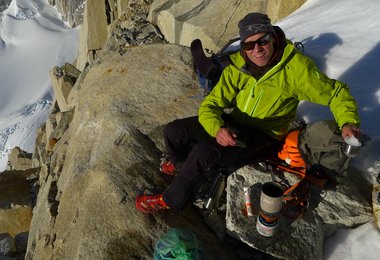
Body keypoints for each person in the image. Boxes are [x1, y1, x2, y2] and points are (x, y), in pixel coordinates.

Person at [135, 12, 360, 214]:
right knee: (174, 131)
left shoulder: (295, 70)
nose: (257, 50)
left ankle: (172, 199)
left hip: (264, 135)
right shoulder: (239, 66)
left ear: (273, 37)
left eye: (263, 41)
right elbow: (211, 104)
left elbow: (336, 93)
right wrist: (217, 128)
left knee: (205, 151)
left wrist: (348, 121)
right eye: (249, 45)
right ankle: (183, 168)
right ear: (242, 47)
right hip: (234, 123)